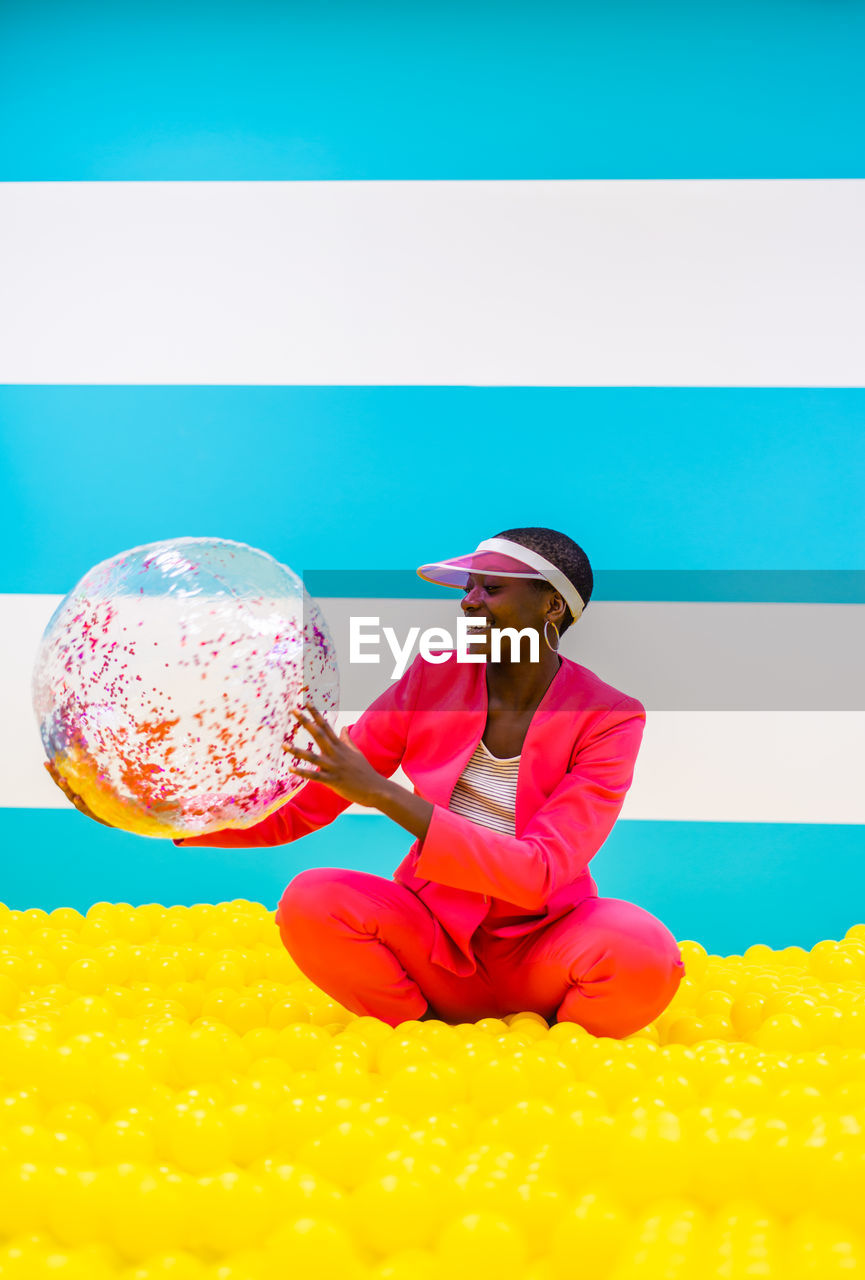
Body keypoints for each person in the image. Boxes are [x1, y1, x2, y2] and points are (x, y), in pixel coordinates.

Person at [49, 527, 686, 1035]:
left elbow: (540, 871)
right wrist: (170, 813)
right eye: (469, 588)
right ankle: (419, 1035)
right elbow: (311, 799)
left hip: (542, 946)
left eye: (490, 588)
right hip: (431, 938)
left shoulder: (609, 716)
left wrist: (384, 794)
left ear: (549, 605)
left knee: (640, 952)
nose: (468, 600)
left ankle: (556, 1058)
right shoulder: (434, 679)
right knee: (313, 901)